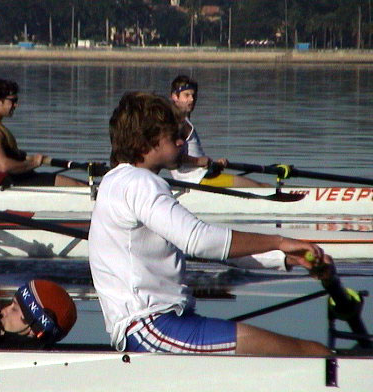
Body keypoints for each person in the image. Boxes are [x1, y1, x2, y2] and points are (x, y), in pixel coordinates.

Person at [88, 91, 331, 356]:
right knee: (313, 352)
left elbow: (210, 248)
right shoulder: (139, 183)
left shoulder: (119, 181)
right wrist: (280, 241)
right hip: (152, 328)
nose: (182, 142)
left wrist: (286, 259)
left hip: (162, 324)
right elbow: (200, 241)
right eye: (173, 137)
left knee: (306, 350)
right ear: (145, 144)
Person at [0, 78, 85, 187]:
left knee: (81, 184)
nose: (16, 105)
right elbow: (3, 166)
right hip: (16, 183)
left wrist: (17, 155)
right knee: (79, 186)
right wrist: (34, 163)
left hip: (23, 178)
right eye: (13, 101)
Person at [169, 75, 268, 188]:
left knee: (264, 185)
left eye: (193, 95)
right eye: (186, 95)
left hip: (202, 176)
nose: (192, 99)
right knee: (262, 187)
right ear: (175, 97)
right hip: (197, 180)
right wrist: (199, 161)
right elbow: (173, 157)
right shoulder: (178, 123)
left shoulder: (183, 120)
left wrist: (214, 164)